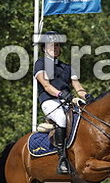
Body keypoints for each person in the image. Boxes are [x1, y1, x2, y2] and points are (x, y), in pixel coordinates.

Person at [33, 33, 93, 174]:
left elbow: (78, 88)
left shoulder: (67, 67)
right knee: (61, 118)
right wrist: (60, 94)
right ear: (44, 48)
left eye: (57, 45)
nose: (55, 48)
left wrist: (87, 95)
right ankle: (62, 159)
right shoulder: (40, 64)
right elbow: (46, 85)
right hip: (50, 101)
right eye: (51, 45)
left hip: (67, 102)